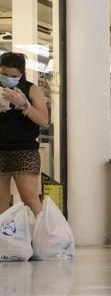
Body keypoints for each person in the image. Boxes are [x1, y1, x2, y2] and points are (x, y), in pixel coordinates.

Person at [0, 52, 50, 216]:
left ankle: (43, 236)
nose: (8, 78)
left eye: (13, 75)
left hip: (25, 149)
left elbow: (43, 120)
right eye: (4, 74)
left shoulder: (32, 89)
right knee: (1, 200)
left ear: (21, 74)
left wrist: (25, 106)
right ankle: (5, 239)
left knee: (29, 198)